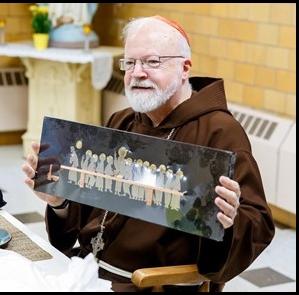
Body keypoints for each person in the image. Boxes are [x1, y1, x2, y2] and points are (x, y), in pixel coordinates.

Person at [22, 15, 275, 292]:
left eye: (152, 62)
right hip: (85, 269)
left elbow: (258, 223)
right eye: (129, 63)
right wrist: (60, 202)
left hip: (148, 284)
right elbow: (84, 213)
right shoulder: (123, 121)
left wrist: (229, 221)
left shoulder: (220, 131)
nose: (137, 72)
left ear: (184, 68)